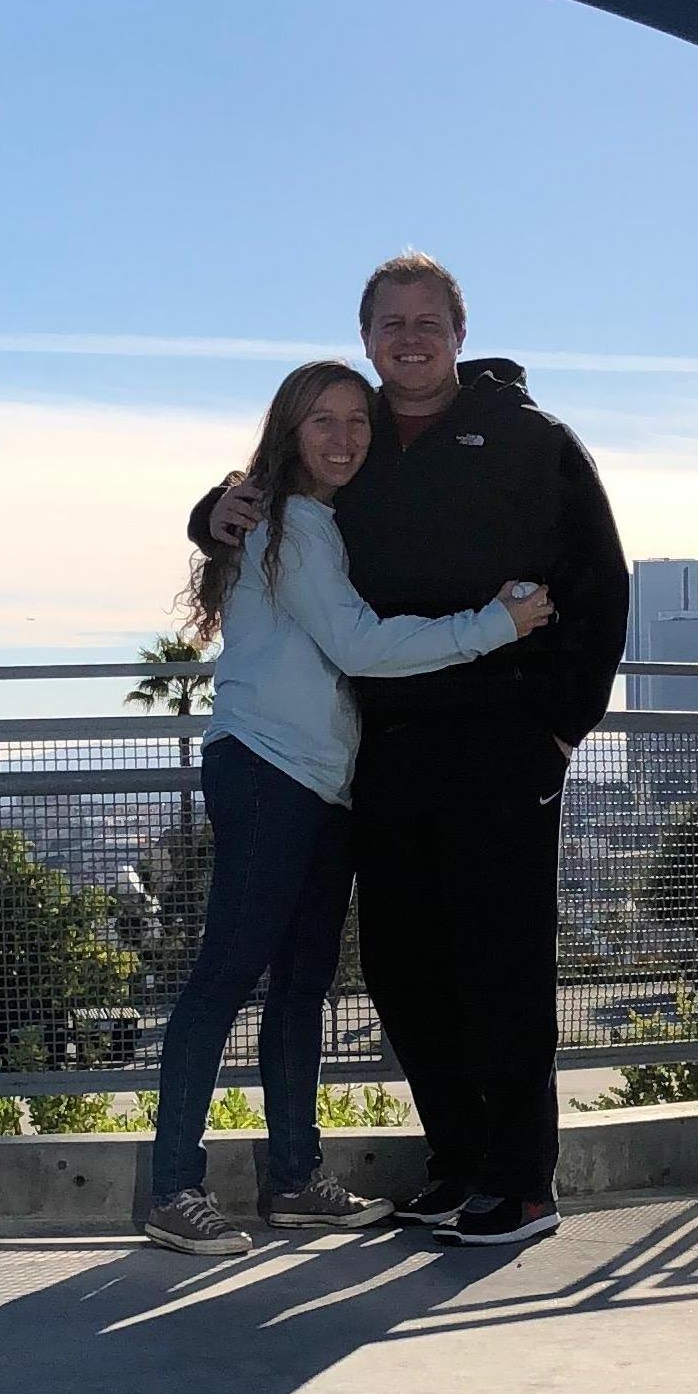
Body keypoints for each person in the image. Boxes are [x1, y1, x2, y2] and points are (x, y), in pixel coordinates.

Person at [194, 253, 628, 1250]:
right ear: (366, 337)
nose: (409, 338)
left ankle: (521, 1182)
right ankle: (460, 1163)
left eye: (426, 320)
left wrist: (561, 725)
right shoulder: (352, 440)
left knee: (503, 963)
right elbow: (258, 500)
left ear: (460, 332)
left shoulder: (532, 440)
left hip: (503, 743)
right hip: (383, 746)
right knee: (402, 967)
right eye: (389, 323)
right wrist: (203, 513)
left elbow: (600, 581)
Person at [143, 358, 554, 1261]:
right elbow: (359, 643)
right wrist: (494, 623)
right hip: (265, 769)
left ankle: (294, 1180)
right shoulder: (282, 522)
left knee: (299, 988)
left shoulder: (319, 521)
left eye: (355, 421)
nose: (343, 437)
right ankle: (171, 1186)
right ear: (289, 433)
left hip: (323, 780)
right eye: (321, 421)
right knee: (228, 972)